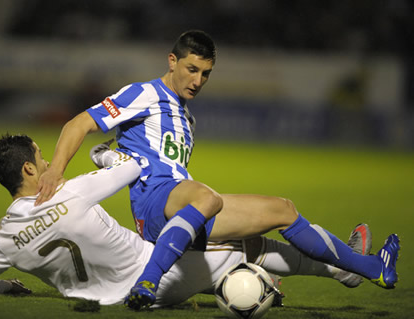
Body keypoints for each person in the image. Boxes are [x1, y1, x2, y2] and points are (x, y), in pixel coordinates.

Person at [34, 30, 400, 309]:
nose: (197, 81)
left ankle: (367, 269)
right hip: (156, 203)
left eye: (206, 74)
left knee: (281, 213)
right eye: (191, 69)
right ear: (172, 61)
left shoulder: (186, 118)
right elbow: (79, 123)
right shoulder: (143, 94)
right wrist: (56, 171)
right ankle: (147, 281)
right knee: (207, 197)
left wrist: (111, 155)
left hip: (183, 207)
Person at [0, 134, 375, 307]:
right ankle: (344, 271)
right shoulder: (71, 192)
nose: (50, 163)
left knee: (216, 243)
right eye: (42, 159)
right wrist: (102, 154)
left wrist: (6, 287)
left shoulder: (1, 239)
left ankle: (247, 280)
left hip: (104, 300)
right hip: (157, 276)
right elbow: (134, 166)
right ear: (30, 172)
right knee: (251, 237)